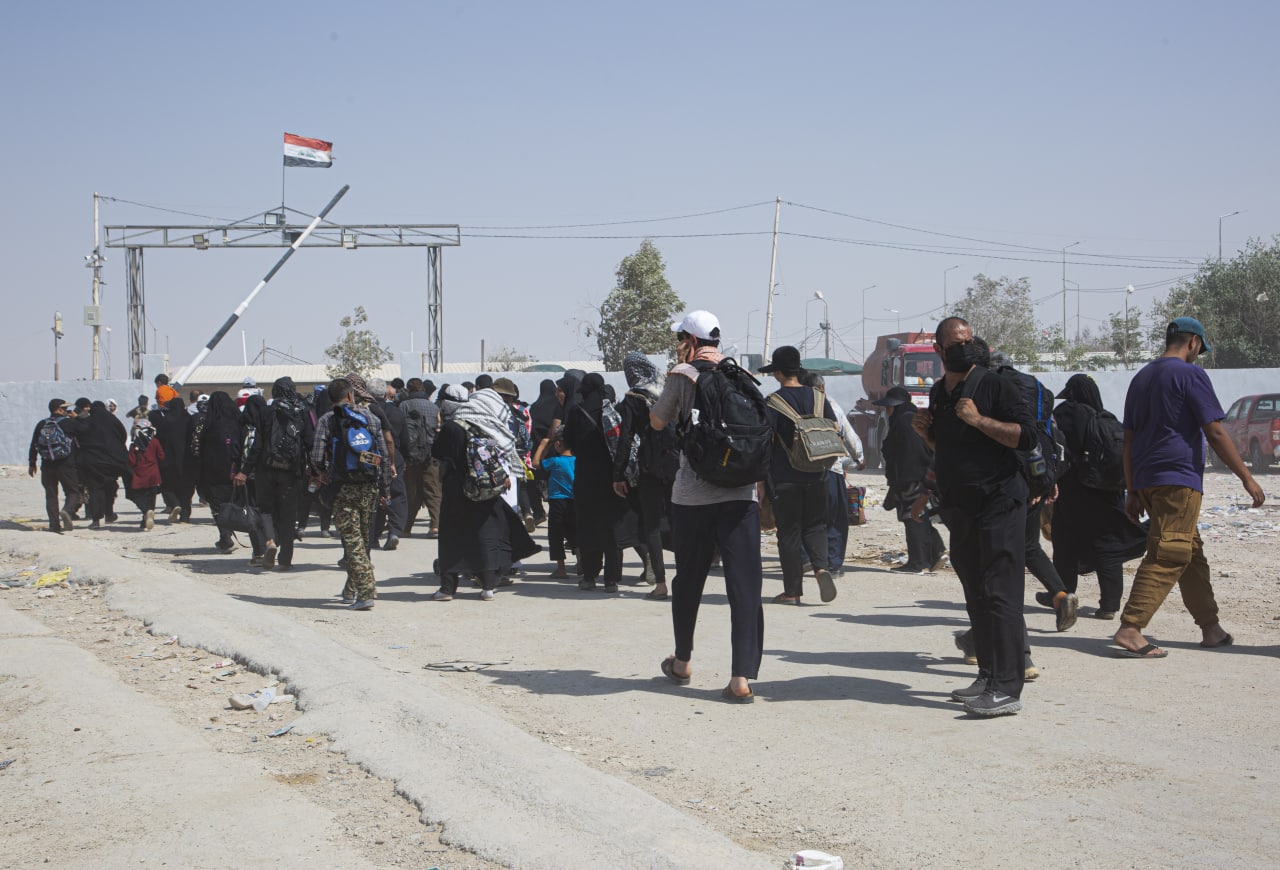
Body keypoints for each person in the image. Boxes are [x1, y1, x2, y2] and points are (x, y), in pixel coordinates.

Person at [1112, 318, 1265, 657]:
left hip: (1148, 479)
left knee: (1190, 551)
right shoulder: (1190, 374)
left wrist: (1133, 490)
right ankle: (1131, 627)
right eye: (1200, 349)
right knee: (1170, 552)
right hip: (1177, 478)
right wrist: (1247, 477)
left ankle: (1211, 628)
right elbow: (1215, 431)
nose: (1198, 354)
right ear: (1193, 342)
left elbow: (1129, 441)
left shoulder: (1141, 377)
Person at [912, 316, 1035, 717]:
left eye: (969, 340)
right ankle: (988, 674)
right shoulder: (940, 392)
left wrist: (979, 419)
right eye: (956, 343)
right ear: (938, 350)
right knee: (976, 592)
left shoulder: (996, 385)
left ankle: (1007, 687)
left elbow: (1027, 436)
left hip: (1000, 501)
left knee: (1001, 592)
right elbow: (948, 449)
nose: (965, 347)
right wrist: (926, 434)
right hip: (961, 506)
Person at [650, 310, 764, 703]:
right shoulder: (740, 375)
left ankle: (682, 662)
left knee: (689, 579)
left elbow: (657, 421)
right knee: (744, 585)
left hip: (693, 496)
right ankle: (740, 679)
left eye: (679, 338)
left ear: (691, 341)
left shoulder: (682, 375)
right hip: (741, 496)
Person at [1052, 374, 1149, 619]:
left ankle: (1063, 595)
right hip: (1110, 491)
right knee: (1108, 547)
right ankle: (1109, 606)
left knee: (1065, 544)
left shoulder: (1067, 413)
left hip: (1075, 491)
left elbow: (1057, 449)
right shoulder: (1107, 418)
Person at [430, 385, 539, 601]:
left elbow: (438, 452)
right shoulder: (484, 426)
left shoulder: (452, 427)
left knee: (452, 536)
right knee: (484, 535)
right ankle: (488, 586)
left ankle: (447, 588)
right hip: (484, 488)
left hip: (456, 490)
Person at [760, 345, 840, 604]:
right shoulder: (818, 397)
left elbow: (765, 441)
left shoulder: (774, 402)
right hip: (818, 473)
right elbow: (834, 426)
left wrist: (760, 481)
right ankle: (821, 568)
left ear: (778, 373)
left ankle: (792, 591)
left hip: (785, 477)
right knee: (816, 526)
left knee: (789, 533)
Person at [310, 378, 390, 610]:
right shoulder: (370, 418)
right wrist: (385, 488)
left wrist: (323, 473)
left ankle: (365, 593)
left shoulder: (327, 420)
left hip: (342, 488)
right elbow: (383, 457)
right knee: (362, 541)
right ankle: (350, 590)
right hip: (369, 487)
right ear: (351, 395)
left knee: (352, 542)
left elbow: (316, 457)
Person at [565, 373, 641, 593]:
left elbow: (569, 442)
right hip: (610, 479)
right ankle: (611, 579)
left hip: (585, 479)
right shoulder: (613, 412)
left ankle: (589, 576)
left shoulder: (576, 412)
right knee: (611, 529)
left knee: (588, 527)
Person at [612, 352, 676, 599]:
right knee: (679, 520)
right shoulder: (668, 391)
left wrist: (618, 474)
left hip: (649, 467)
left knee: (652, 525)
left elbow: (626, 439)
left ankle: (660, 584)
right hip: (676, 464)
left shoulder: (633, 398)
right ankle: (687, 576)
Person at [876, 386, 946, 573]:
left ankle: (918, 562)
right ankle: (936, 551)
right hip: (920, 476)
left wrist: (902, 480)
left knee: (912, 518)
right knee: (920, 515)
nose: (887, 411)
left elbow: (909, 454)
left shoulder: (904, 422)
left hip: (911, 478)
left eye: (889, 408)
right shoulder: (913, 418)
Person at [802, 371, 864, 578]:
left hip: (802, 471)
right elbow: (848, 434)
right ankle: (832, 564)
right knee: (835, 519)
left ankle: (806, 557)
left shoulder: (796, 404)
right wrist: (859, 457)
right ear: (821, 387)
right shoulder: (831, 404)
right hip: (831, 470)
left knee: (807, 517)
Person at [28, 398, 89, 533]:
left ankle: (54, 525)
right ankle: (67, 510)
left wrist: (32, 463)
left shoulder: (42, 424)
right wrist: (77, 418)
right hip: (66, 464)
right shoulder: (68, 423)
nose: (68, 411)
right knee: (73, 492)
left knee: (51, 495)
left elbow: (34, 444)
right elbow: (86, 429)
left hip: (47, 465)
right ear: (59, 409)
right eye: (65, 409)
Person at [367, 376, 408, 551]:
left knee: (375, 496)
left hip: (370, 457)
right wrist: (402, 459)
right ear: (385, 393)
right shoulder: (396, 412)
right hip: (394, 457)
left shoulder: (366, 411)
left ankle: (373, 536)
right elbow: (404, 439)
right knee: (395, 495)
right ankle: (394, 532)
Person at [200, 391, 244, 554]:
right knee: (232, 503)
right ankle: (228, 533)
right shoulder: (239, 422)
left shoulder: (209, 424)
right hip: (235, 470)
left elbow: (201, 450)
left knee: (218, 505)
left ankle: (225, 535)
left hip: (214, 472)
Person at [400, 378, 442, 539]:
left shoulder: (404, 405)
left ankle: (406, 528)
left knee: (411, 492)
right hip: (431, 454)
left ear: (409, 390)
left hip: (411, 455)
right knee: (433, 491)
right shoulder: (434, 407)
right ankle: (435, 526)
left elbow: (402, 431)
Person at [78, 401, 129, 529]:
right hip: (111, 461)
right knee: (110, 488)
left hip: (93, 461)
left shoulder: (89, 421)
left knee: (95, 490)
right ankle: (109, 513)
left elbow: (81, 437)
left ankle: (96, 520)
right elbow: (123, 435)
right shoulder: (113, 420)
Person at [534, 428, 577, 578]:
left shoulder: (555, 461)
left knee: (556, 535)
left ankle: (561, 569)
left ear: (558, 443)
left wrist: (543, 445)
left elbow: (536, 463)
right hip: (573, 501)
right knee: (575, 534)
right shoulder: (577, 460)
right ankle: (582, 564)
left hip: (557, 501)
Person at [126, 418, 165, 530]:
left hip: (140, 475)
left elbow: (131, 461)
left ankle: (145, 512)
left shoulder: (135, 444)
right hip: (153, 474)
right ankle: (146, 520)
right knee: (151, 497)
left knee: (136, 495)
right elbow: (161, 456)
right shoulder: (155, 442)